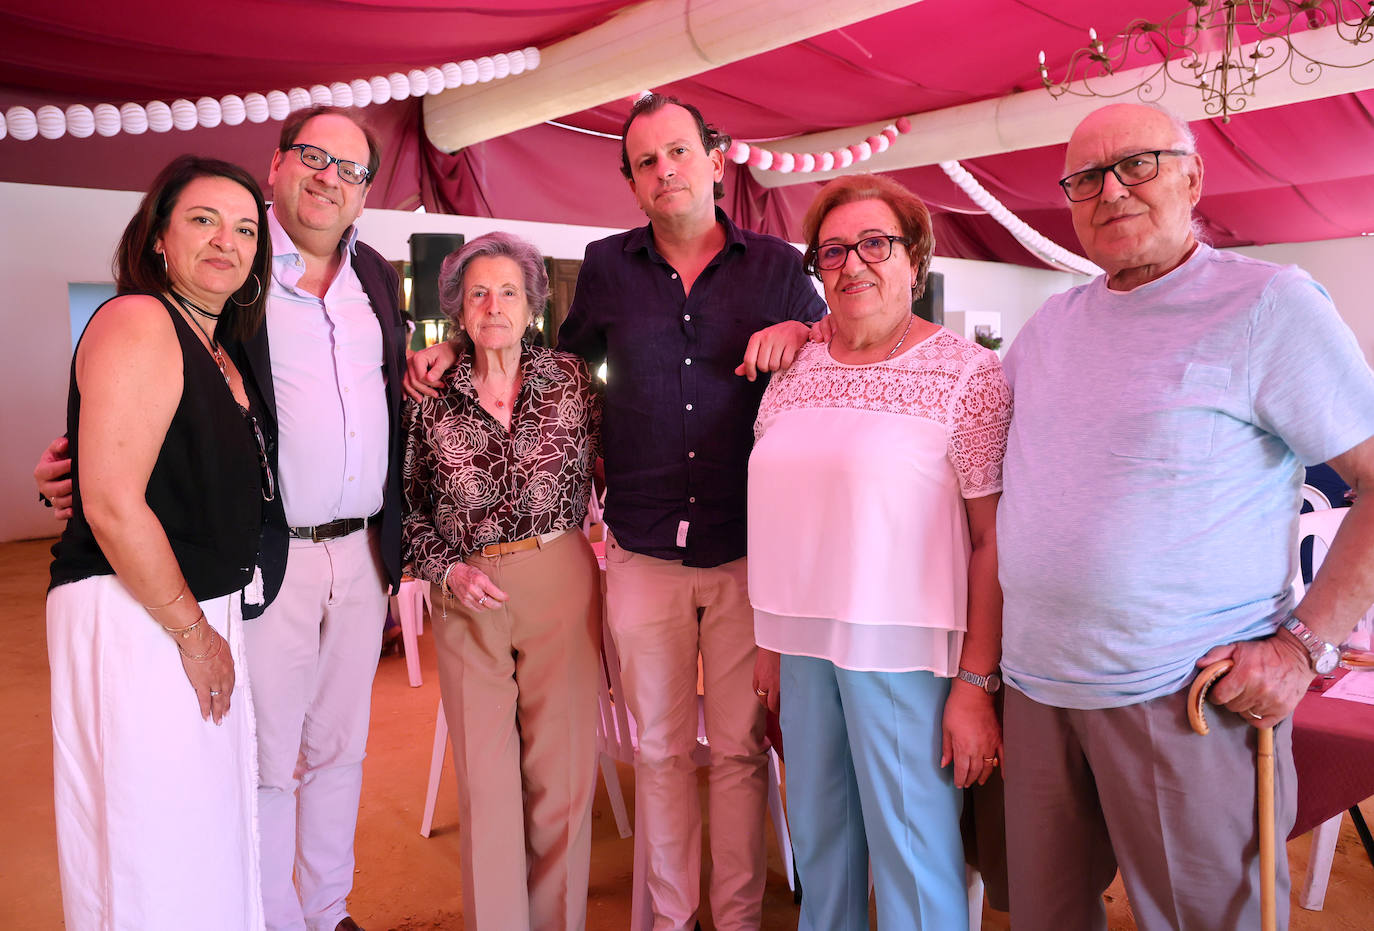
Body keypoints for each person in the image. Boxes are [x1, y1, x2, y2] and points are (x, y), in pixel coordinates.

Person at [407, 93, 826, 930]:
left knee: (740, 750)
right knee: (660, 751)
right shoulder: (605, 267)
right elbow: (548, 362)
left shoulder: (780, 268)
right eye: (646, 161)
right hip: (640, 550)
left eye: (679, 152)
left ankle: (736, 918)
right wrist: (461, 341)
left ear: (715, 160)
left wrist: (805, 334)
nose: (665, 169)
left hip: (747, 549)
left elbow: (846, 351)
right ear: (631, 182)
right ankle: (671, 917)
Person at [997, 102, 1374, 930]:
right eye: (1086, 177)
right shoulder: (1051, 324)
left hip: (1183, 696)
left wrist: (1303, 647)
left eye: (1138, 164)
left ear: (1193, 178)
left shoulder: (1268, 303)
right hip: (1034, 689)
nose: (1111, 191)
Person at [37, 104, 407, 931]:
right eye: (313, 157)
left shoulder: (375, 279)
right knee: (256, 759)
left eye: (351, 170)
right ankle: (272, 916)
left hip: (362, 551)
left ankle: (327, 908)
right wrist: (67, 470)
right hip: (267, 557)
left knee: (338, 748)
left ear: (365, 191)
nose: (331, 179)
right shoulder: (221, 290)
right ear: (277, 165)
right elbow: (128, 431)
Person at [748, 174, 1009, 929]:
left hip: (905, 651)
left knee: (913, 858)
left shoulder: (968, 373)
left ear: (914, 258)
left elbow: (991, 539)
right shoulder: (795, 370)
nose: (852, 263)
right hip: (803, 647)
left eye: (874, 243)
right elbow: (782, 512)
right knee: (820, 847)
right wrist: (770, 643)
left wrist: (976, 682)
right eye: (832, 251)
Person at [46, 155, 272, 929]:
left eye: (245, 229)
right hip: (138, 616)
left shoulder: (219, 344)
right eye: (203, 220)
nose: (226, 241)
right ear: (158, 239)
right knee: (148, 850)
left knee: (199, 840)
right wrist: (194, 632)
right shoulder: (140, 319)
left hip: (188, 609)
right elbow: (111, 502)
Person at [402, 232, 602, 930]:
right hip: (466, 592)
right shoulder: (429, 395)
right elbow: (408, 510)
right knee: (486, 787)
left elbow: (616, 467)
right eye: (478, 293)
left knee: (562, 781)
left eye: (509, 292)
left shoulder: (571, 379)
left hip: (560, 577)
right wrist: (447, 569)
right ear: (458, 310)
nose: (494, 306)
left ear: (532, 305)